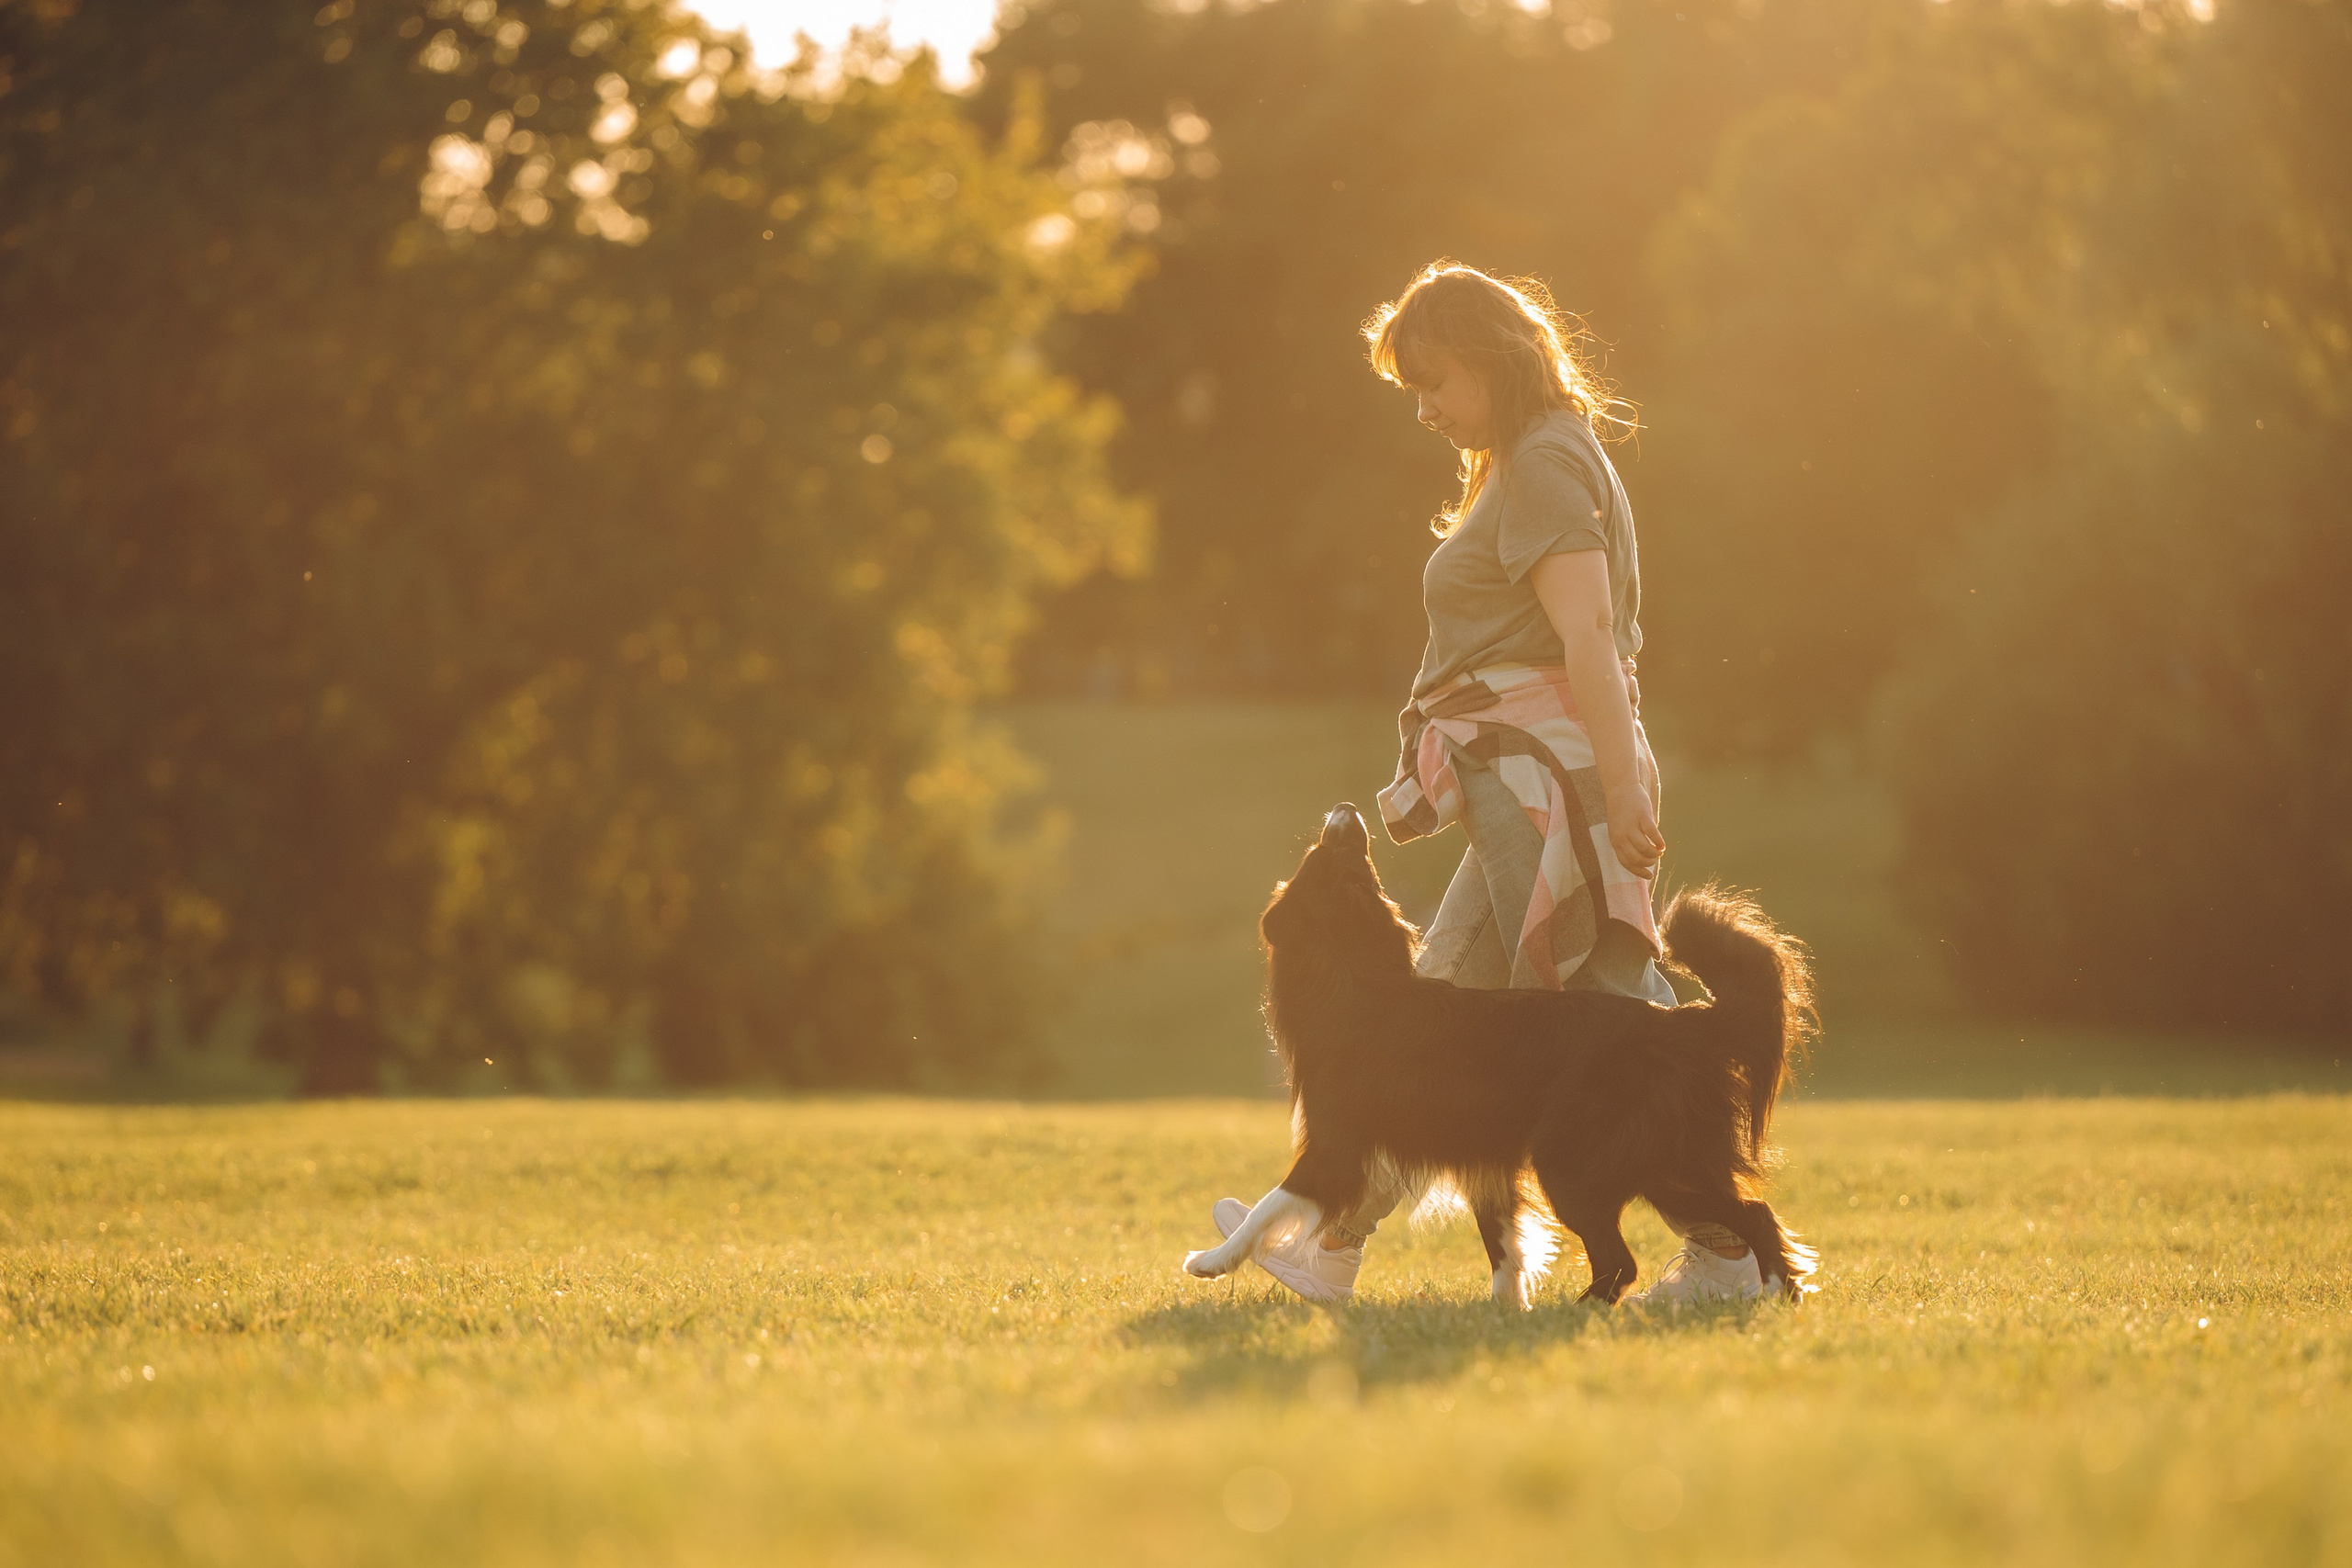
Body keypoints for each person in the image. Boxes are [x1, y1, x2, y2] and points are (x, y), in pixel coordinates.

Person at [1208, 261, 1770, 1308]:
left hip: (1551, 785)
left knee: (1612, 1013)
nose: (1423, 409)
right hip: (1525, 783)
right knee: (1435, 1016)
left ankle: (1734, 1256)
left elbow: (1588, 634)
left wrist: (1621, 783)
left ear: (1492, 360)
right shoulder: (1524, 457)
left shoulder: (1548, 462)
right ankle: (1330, 1241)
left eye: (1435, 383)